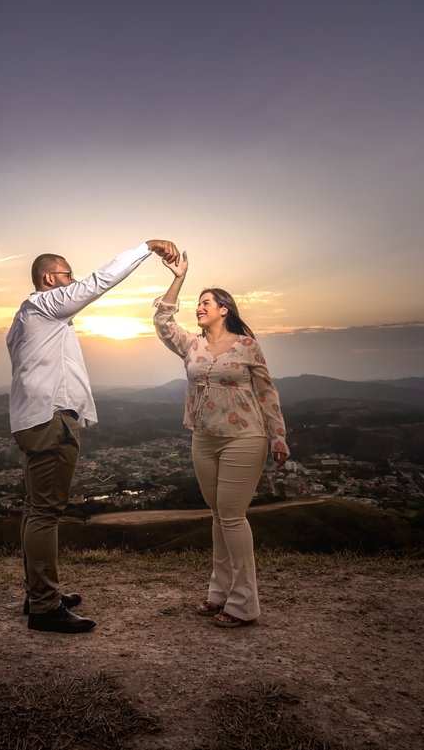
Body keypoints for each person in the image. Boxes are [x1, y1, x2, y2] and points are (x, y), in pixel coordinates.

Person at [7, 239, 180, 633]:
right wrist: (146, 247)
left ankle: (38, 593)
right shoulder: (45, 306)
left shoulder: (27, 319)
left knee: (34, 507)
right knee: (46, 511)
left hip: (34, 418)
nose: (74, 281)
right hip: (50, 419)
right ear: (50, 278)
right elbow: (98, 282)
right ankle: (45, 607)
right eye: (68, 275)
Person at [152, 252, 289, 627]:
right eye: (197, 304)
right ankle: (219, 591)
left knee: (231, 517)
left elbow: (266, 392)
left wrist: (278, 436)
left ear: (224, 309)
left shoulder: (246, 346)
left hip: (245, 437)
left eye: (206, 303)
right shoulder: (191, 345)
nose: (199, 308)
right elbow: (163, 320)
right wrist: (179, 278)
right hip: (203, 438)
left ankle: (244, 604)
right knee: (218, 515)